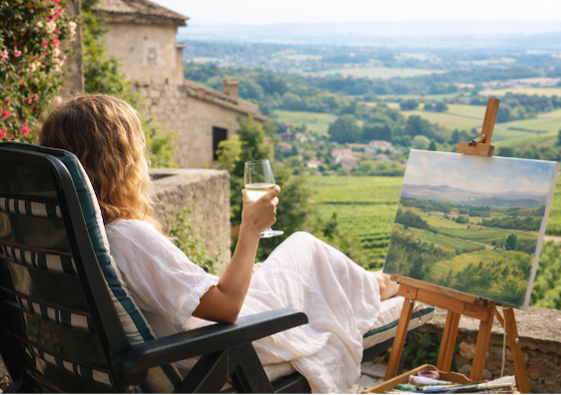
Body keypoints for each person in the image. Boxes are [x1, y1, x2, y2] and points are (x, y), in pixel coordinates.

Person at [39, 94, 399, 393]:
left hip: (190, 340)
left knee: (297, 264)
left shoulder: (75, 239)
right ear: (120, 161)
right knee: (304, 247)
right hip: (216, 349)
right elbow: (226, 307)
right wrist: (250, 229)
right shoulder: (129, 237)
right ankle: (390, 286)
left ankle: (378, 282)